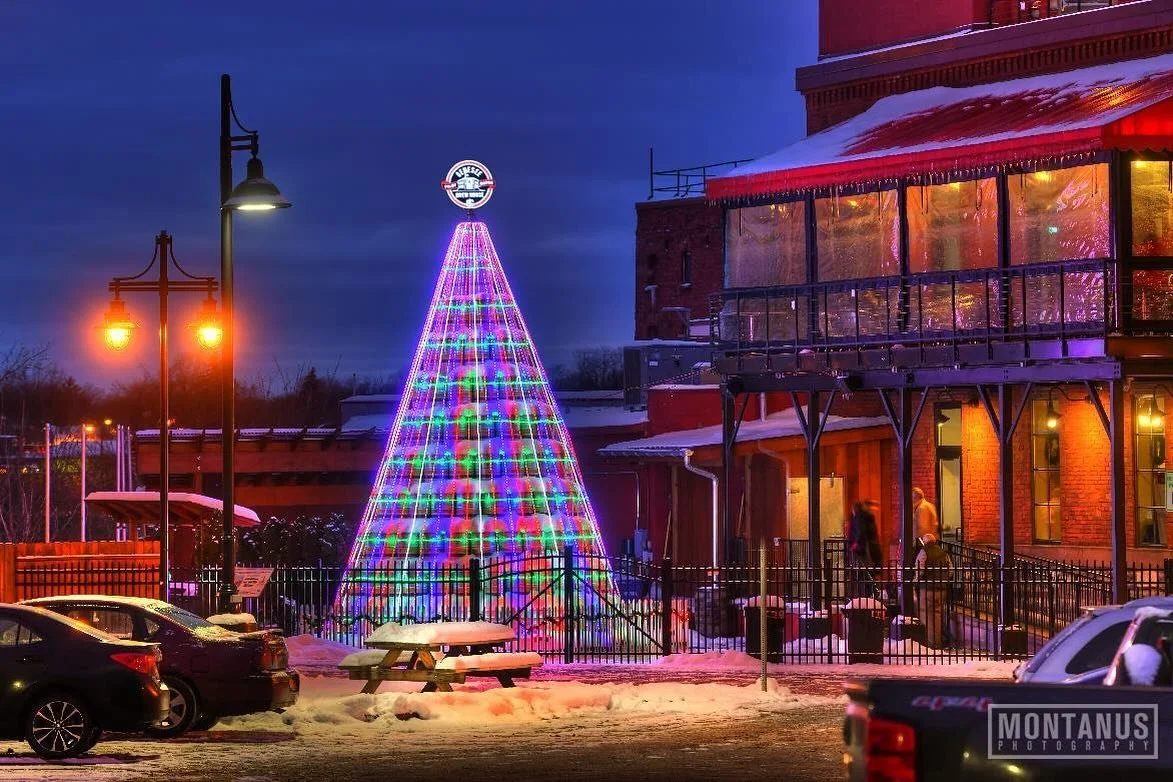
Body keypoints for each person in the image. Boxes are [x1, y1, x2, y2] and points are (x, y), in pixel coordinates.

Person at [914, 533, 953, 649]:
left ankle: (929, 644)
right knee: (937, 615)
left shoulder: (923, 552)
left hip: (927, 588)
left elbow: (919, 569)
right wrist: (944, 579)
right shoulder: (943, 553)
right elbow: (950, 570)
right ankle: (938, 642)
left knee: (926, 615)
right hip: (941, 589)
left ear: (924, 542)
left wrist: (917, 580)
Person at [847, 499, 882, 599]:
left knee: (863, 575)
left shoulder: (859, 517)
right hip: (871, 551)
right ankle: (872, 595)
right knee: (869, 575)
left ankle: (865, 597)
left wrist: (855, 544)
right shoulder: (869, 518)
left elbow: (860, 531)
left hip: (863, 552)